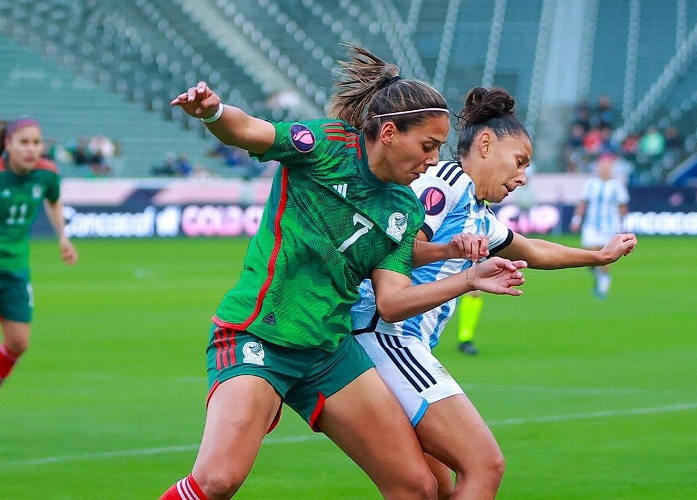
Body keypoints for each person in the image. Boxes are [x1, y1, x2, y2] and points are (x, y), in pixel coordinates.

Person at [161, 45, 528, 500]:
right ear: (389, 132)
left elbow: (391, 301)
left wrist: (468, 278)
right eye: (428, 146)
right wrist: (213, 112)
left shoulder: (403, 208)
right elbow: (248, 130)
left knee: (415, 486)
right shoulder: (325, 146)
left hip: (329, 351)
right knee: (218, 481)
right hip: (258, 335)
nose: (434, 161)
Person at [352, 86, 637, 498]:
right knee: (484, 465)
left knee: (430, 488)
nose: (523, 176)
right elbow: (394, 249)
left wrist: (598, 257)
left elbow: (536, 250)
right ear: (485, 144)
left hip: (398, 341)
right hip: (386, 335)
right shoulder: (446, 181)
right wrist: (455, 256)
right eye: (519, 162)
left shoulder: (479, 213)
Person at [0, 118, 78, 386]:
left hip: (15, 268)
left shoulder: (46, 174)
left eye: (36, 142)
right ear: (8, 144)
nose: (31, 149)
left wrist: (62, 237)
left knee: (18, 342)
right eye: (24, 142)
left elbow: (54, 201)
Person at [570, 152, 630, 298]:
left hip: (609, 226)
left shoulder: (617, 186)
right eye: (603, 167)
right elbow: (583, 202)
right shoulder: (591, 184)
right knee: (589, 254)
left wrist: (624, 225)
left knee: (604, 256)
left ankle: (603, 284)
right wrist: (576, 219)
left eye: (608, 167)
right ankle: (600, 276)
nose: (605, 169)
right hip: (591, 224)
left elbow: (622, 206)